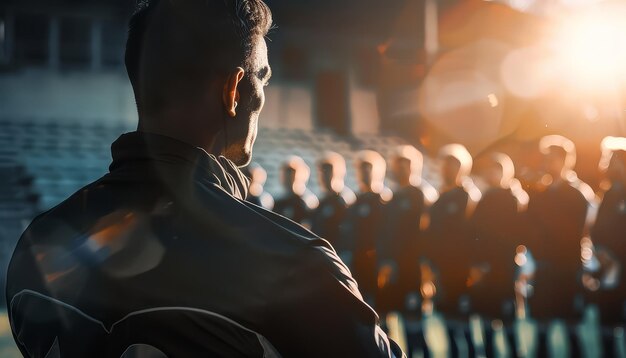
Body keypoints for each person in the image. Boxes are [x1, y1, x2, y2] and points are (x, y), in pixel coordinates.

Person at [5, 1, 405, 357]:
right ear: (233, 92)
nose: (262, 93)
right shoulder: (293, 266)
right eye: (261, 79)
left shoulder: (36, 246)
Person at [526, 135, 593, 321]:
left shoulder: (577, 194)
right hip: (543, 269)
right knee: (541, 326)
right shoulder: (540, 194)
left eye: (552, 158)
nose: (547, 163)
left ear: (565, 161)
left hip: (567, 269)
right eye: (545, 158)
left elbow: (579, 232)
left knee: (571, 327)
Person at [377, 145, 438, 314]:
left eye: (407, 164)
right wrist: (386, 261)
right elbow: (387, 233)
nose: (402, 169)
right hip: (394, 267)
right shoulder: (392, 197)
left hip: (414, 268)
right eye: (399, 165)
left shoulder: (421, 194)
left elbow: (426, 235)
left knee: (414, 322)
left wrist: (426, 267)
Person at [470, 153, 529, 320]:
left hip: (504, 265)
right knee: (487, 313)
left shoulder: (513, 198)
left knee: (506, 313)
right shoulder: (486, 197)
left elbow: (516, 235)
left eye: (496, 170)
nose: (491, 174)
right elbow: (477, 232)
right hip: (486, 266)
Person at [426, 144, 481, 318]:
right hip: (440, 268)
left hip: (460, 268)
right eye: (446, 163)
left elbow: (474, 233)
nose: (449, 168)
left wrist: (473, 264)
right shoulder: (439, 197)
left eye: (454, 164)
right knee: (446, 317)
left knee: (462, 320)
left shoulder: (468, 196)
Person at [345, 150, 392, 305]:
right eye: (361, 169)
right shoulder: (355, 201)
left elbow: (388, 233)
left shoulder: (384, 199)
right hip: (358, 263)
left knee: (380, 309)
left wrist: (385, 260)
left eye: (368, 169)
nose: (364, 173)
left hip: (377, 263)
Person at [589, 136, 626, 325]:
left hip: (619, 265)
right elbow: (597, 230)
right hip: (609, 269)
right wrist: (603, 254)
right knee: (609, 323)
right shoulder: (609, 194)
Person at [310, 151, 356, 250]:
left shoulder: (344, 200)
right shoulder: (321, 201)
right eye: (322, 172)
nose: (324, 177)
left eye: (328, 172)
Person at [273, 155, 319, 226]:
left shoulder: (308, 203)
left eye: (292, 176)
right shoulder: (279, 202)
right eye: (286, 176)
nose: (289, 181)